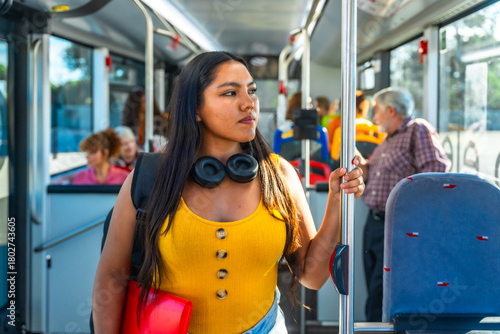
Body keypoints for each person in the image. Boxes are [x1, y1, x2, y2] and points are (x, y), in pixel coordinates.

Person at [92, 51, 365, 333]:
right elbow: (111, 277)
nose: (249, 103)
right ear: (195, 108)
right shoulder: (152, 176)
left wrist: (337, 200)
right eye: (230, 93)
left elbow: (312, 276)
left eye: (252, 90)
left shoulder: (279, 175)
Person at [359, 87, 450, 321]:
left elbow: (435, 170)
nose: (374, 117)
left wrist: (408, 207)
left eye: (377, 111)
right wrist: (364, 168)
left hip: (399, 224)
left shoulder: (416, 130)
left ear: (391, 110)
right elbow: (380, 175)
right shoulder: (388, 140)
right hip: (375, 222)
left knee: (384, 290)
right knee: (372, 282)